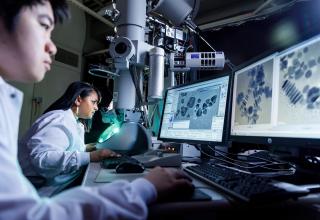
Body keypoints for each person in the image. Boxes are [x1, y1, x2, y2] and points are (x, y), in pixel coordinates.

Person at [0, 1, 194, 220]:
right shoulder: (58, 119)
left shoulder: (70, 122)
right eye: (44, 25)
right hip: (45, 190)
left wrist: (90, 148)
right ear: (77, 100)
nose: (52, 47)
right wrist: (143, 188)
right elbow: (43, 162)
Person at [18, 81, 121, 196]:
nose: (96, 108)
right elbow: (43, 159)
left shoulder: (73, 120)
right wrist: (90, 156)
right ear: (78, 100)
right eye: (93, 102)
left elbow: (63, 147)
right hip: (35, 189)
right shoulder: (59, 119)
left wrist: (87, 148)